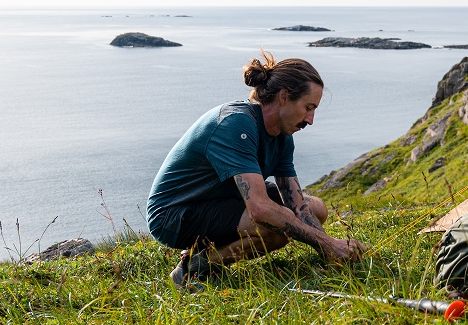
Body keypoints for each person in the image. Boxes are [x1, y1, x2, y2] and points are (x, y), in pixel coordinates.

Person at [147, 51, 366, 289]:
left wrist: (328, 248)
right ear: (284, 97)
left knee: (316, 209)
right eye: (308, 107)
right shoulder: (236, 124)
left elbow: (297, 205)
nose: (311, 119)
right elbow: (260, 209)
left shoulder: (283, 136)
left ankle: (208, 250)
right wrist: (328, 243)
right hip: (174, 215)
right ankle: (196, 266)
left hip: (221, 199)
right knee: (276, 229)